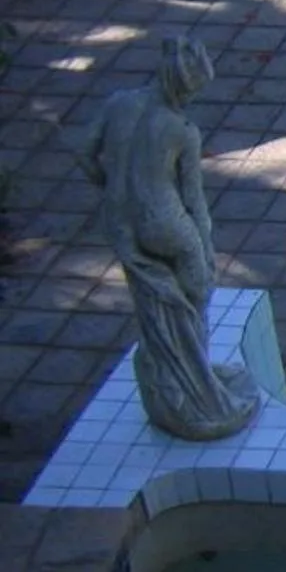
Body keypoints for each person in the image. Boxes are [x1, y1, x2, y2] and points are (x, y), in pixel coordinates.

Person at [79, 35, 259, 439]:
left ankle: (174, 381)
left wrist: (112, 187)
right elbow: (193, 198)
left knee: (155, 306)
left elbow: (83, 154)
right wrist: (205, 243)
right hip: (167, 222)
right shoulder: (181, 129)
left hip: (122, 220)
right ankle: (197, 391)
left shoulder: (118, 103)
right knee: (194, 298)